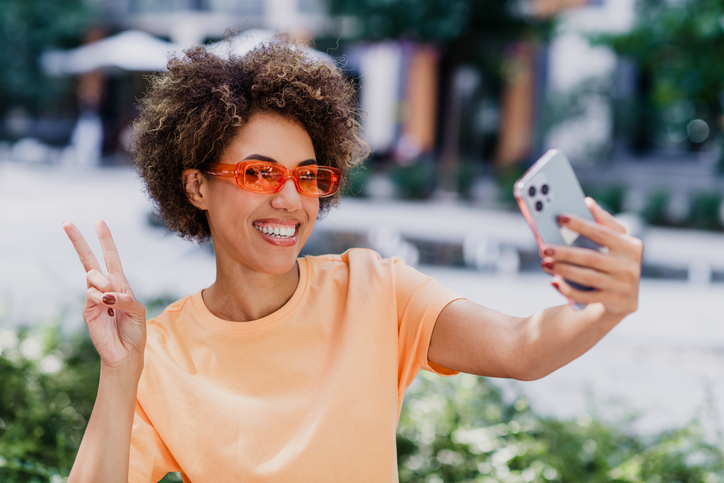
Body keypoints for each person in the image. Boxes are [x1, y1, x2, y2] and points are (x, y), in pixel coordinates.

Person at [63, 37, 644, 483]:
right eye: (259, 172)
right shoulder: (157, 354)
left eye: (309, 177)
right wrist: (119, 372)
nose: (289, 199)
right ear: (195, 186)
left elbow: (522, 348)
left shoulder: (376, 291)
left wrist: (604, 307)